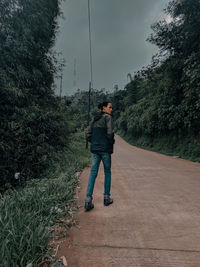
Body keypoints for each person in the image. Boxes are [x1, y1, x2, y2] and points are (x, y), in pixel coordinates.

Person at [85, 101, 115, 211]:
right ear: (104, 108)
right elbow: (110, 133)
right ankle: (106, 198)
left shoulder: (94, 119)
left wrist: (94, 141)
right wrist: (110, 142)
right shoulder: (108, 118)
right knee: (107, 172)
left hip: (95, 150)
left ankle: (88, 200)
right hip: (105, 150)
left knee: (93, 173)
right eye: (110, 107)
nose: (111, 109)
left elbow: (88, 134)